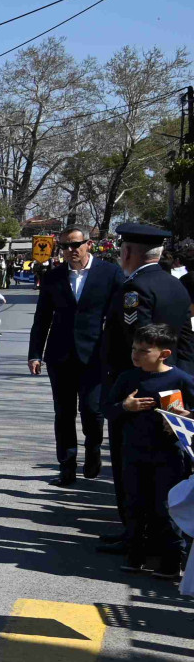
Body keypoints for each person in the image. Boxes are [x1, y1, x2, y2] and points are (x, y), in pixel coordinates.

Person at [96, 221, 188, 554]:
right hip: (170, 382)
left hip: (136, 387)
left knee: (130, 465)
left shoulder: (134, 289)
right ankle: (153, 533)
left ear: (128, 252)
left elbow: (137, 342)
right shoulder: (176, 285)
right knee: (163, 465)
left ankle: (135, 533)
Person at [27, 226, 119, 486]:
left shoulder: (109, 273)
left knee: (92, 410)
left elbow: (118, 316)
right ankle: (66, 466)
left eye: (75, 244)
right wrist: (35, 354)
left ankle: (93, 451)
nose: (71, 250)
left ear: (88, 244)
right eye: (65, 246)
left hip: (95, 356)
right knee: (64, 413)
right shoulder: (53, 277)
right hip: (60, 356)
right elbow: (42, 318)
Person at [105, 322, 194, 578]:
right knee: (134, 505)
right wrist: (125, 406)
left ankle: (171, 561)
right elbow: (108, 410)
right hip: (133, 453)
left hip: (168, 455)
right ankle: (135, 555)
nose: (136, 354)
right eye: (134, 348)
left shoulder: (181, 379)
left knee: (166, 508)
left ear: (164, 354)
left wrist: (186, 415)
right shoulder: (128, 378)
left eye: (144, 351)